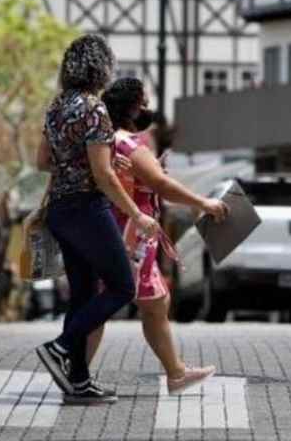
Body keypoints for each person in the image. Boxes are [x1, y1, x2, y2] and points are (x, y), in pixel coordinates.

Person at [88, 77, 229, 394]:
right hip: (132, 234)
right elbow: (161, 185)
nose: (149, 109)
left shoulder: (108, 140)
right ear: (133, 107)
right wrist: (203, 202)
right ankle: (75, 372)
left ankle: (175, 372)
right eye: (145, 103)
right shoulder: (128, 144)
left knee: (153, 302)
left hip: (124, 232)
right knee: (108, 305)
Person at [35, 34, 153, 406]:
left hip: (60, 209)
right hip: (88, 208)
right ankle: (61, 347)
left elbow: (42, 161)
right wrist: (136, 214)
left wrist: (83, 162)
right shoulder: (94, 109)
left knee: (83, 294)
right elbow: (103, 176)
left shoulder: (57, 107)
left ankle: (78, 381)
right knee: (122, 287)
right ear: (101, 68)